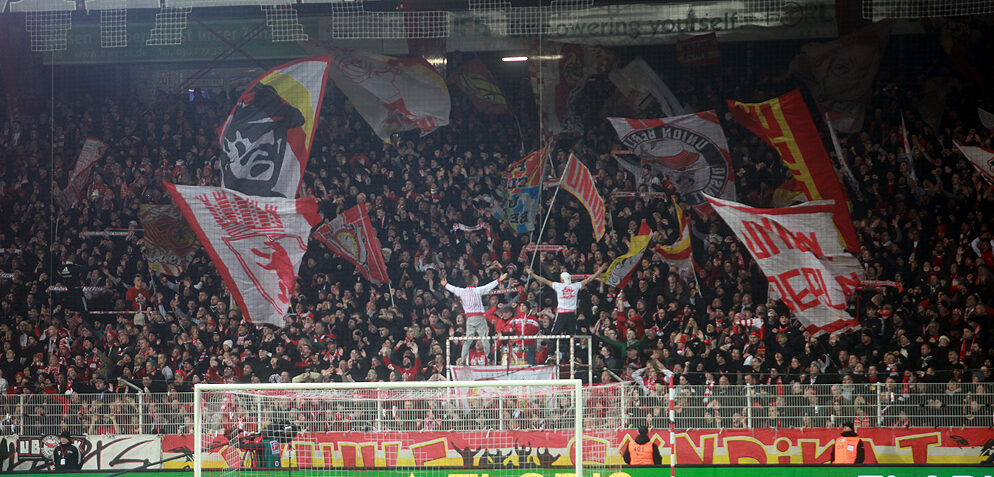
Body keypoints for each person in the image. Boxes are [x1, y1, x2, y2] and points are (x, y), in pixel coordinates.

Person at [526, 264, 606, 359]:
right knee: (571, 336)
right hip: (571, 315)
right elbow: (589, 279)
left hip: (561, 315)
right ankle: (570, 357)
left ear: (562, 280)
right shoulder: (575, 286)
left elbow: (544, 280)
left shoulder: (558, 286)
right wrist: (600, 270)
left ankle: (550, 354)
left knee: (554, 334)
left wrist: (532, 274)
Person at [442, 271, 508, 363]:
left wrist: (445, 284)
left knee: (468, 340)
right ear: (473, 282)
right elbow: (489, 286)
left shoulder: (462, 291)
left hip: (469, 319)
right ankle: (489, 358)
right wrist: (499, 280)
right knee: (484, 338)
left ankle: (463, 359)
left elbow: (453, 289)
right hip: (479, 318)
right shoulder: (478, 290)